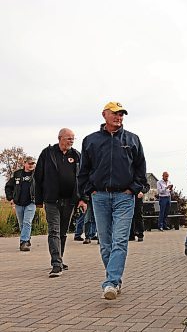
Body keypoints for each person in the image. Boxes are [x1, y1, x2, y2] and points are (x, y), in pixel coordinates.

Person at [78, 101, 147, 300]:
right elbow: (83, 171)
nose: (119, 117)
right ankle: (115, 279)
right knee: (105, 243)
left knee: (120, 240)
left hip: (124, 197)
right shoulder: (91, 140)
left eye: (121, 114)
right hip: (99, 196)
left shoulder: (132, 139)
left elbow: (140, 169)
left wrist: (133, 189)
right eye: (115, 114)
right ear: (104, 115)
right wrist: (88, 192)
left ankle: (110, 282)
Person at [35, 128, 85, 277]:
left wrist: (83, 199)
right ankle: (56, 263)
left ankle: (59, 258)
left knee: (63, 233)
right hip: (51, 200)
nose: (71, 141)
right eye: (68, 138)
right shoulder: (47, 153)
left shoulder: (76, 155)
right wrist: (38, 200)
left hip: (70, 200)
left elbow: (82, 178)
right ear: (60, 138)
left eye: (73, 139)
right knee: (54, 231)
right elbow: (38, 177)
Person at [5, 156, 37, 251]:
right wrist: (10, 198)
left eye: (33, 164)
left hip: (31, 202)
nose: (31, 165)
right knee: (22, 224)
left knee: (27, 222)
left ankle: (23, 242)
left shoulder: (37, 175)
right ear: (25, 163)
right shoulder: (17, 174)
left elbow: (43, 186)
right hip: (18, 202)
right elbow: (8, 186)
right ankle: (27, 238)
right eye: (29, 163)